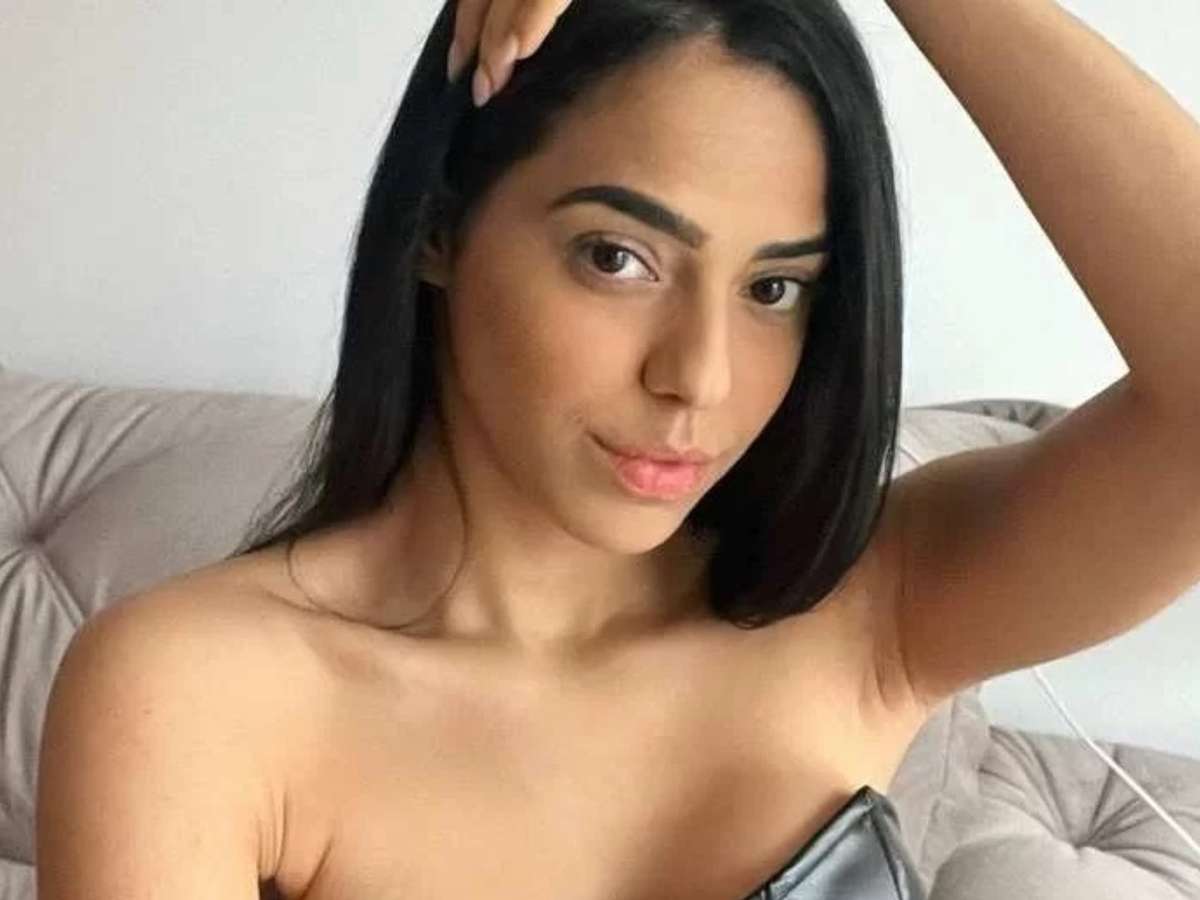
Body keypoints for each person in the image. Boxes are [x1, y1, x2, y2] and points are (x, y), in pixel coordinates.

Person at [35, 0, 1200, 898]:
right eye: (618, 258)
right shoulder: (198, 696)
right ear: (441, 226)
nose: (699, 377)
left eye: (774, 288)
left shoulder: (866, 607)